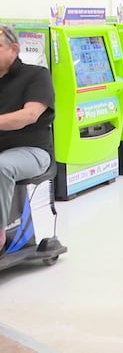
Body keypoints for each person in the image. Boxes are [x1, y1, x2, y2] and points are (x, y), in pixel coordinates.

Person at [0, 24, 54, 252]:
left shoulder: (37, 75)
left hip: (33, 152)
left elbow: (29, 115)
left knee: (1, 166)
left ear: (13, 49)